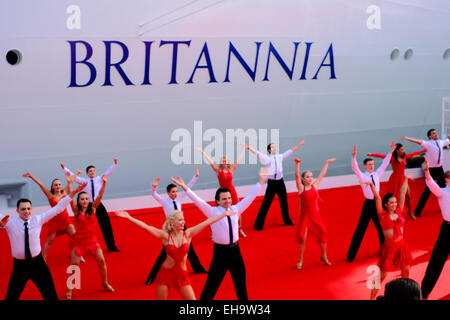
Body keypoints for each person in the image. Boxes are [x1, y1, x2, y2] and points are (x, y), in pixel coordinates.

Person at [170, 168, 268, 300]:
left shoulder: (236, 209)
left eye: (229, 198)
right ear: (217, 201)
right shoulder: (212, 211)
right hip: (220, 253)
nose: (227, 200)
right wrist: (185, 188)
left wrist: (261, 181)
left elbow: (250, 197)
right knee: (211, 285)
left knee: (240, 285)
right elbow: (198, 200)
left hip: (235, 251)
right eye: (224, 199)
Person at [115, 209, 236, 300]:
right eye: (180, 220)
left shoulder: (188, 234)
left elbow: (207, 222)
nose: (183, 222)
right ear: (172, 222)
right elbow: (146, 227)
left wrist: (223, 214)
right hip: (166, 275)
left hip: (182, 276)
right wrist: (129, 217)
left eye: (183, 219)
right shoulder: (165, 236)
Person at [0, 177, 86, 300]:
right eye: (23, 209)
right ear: (17, 210)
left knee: (51, 296)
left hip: (38, 264)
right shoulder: (9, 222)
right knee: (11, 297)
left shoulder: (38, 219)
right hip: (20, 266)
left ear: (31, 209)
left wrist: (74, 192)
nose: (26, 211)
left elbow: (59, 207)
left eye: (28, 209)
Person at [145, 167, 208, 286]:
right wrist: (154, 187)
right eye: (172, 192)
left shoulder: (180, 198)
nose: (175, 193)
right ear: (168, 193)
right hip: (170, 229)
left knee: (190, 249)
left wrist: (196, 176)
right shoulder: (164, 202)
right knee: (164, 253)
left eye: (176, 191)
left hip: (182, 227)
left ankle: (198, 268)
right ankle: (151, 276)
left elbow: (187, 188)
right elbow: (154, 194)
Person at [363, 175, 413, 300]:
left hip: (402, 246)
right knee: (382, 275)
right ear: (385, 205)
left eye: (395, 202)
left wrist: (406, 179)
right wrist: (372, 185)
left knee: (406, 272)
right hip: (389, 248)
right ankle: (372, 298)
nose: (394, 204)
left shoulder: (399, 211)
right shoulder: (383, 215)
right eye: (391, 202)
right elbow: (378, 197)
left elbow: (402, 193)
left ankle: (405, 297)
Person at [65, 175, 114, 299]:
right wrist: (70, 183)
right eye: (82, 199)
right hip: (79, 242)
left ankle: (105, 282)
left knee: (102, 261)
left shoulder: (93, 209)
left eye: (86, 198)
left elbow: (100, 196)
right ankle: (70, 289)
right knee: (74, 265)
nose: (85, 201)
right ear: (79, 201)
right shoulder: (76, 210)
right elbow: (70, 197)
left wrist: (104, 184)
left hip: (92, 240)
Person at [346, 141, 396, 263]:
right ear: (365, 166)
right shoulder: (363, 176)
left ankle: (384, 252)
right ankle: (350, 255)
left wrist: (391, 151)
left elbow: (384, 164)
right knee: (361, 229)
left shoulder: (376, 174)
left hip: (378, 204)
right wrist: (353, 157)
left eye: (373, 164)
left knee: (381, 228)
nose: (372, 166)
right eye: (369, 164)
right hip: (368, 204)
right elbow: (355, 168)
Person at [245, 139, 305, 231]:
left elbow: (290, 151)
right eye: (272, 147)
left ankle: (287, 220)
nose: (274, 149)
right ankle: (258, 225)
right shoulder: (266, 158)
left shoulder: (280, 156)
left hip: (280, 182)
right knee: (266, 204)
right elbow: (258, 154)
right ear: (269, 150)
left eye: (275, 147)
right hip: (272, 184)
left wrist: (299, 145)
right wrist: (249, 148)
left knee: (284, 202)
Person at [62, 159, 120, 251]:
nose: (92, 172)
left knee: (106, 224)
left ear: (95, 172)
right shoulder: (83, 181)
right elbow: (73, 176)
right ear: (87, 173)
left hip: (97, 204)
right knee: (84, 227)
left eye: (93, 171)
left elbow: (108, 172)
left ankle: (111, 246)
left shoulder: (100, 179)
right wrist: (64, 168)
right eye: (90, 171)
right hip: (86, 206)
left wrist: (115, 164)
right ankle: (79, 247)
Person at [22, 171, 82, 261]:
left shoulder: (64, 192)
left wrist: (77, 173)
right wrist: (32, 176)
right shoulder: (50, 195)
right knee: (50, 241)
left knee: (74, 236)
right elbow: (41, 185)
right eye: (56, 185)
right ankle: (43, 259)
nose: (58, 186)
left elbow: (70, 182)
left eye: (59, 184)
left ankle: (78, 255)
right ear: (52, 187)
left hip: (66, 219)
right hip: (55, 221)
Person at [293, 157, 336, 269]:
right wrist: (297, 164)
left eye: (311, 176)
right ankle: (300, 260)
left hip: (315, 216)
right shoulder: (301, 188)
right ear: (303, 179)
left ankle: (324, 256)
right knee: (303, 238)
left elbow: (322, 174)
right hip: (305, 217)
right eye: (307, 177)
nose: (310, 178)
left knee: (323, 233)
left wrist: (326, 162)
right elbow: (296, 177)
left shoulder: (315, 186)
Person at [197, 146, 247, 237]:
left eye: (225, 161)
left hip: (232, 192)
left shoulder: (231, 170)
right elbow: (210, 162)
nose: (224, 162)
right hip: (222, 193)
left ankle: (239, 229)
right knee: (217, 212)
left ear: (228, 162)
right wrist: (203, 152)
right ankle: (214, 232)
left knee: (237, 211)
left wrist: (244, 150)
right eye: (222, 161)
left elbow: (238, 161)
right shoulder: (218, 171)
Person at [367, 143, 425, 219]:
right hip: (395, 179)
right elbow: (382, 156)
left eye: (403, 149)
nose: (403, 151)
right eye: (401, 149)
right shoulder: (392, 158)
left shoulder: (404, 156)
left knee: (408, 196)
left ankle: (410, 212)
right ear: (397, 151)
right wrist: (371, 154)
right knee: (394, 196)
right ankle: (390, 212)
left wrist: (423, 151)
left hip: (403, 178)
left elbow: (413, 154)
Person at [400, 130, 450, 217]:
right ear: (429, 136)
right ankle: (417, 211)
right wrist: (407, 138)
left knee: (444, 189)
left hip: (440, 169)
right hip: (431, 170)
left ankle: (445, 207)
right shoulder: (427, 144)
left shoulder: (441, 142)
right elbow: (417, 141)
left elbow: (448, 141)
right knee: (427, 191)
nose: (436, 134)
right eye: (433, 133)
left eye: (436, 133)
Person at [420, 158, 450, 299]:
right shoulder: (442, 192)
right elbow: (431, 185)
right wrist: (427, 172)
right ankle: (424, 291)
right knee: (436, 261)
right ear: (447, 180)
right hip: (447, 229)